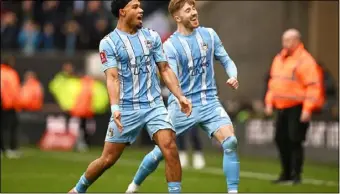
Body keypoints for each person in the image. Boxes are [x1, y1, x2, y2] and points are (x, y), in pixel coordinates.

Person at [69, 0, 192, 193]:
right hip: (126, 108)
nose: (141, 10)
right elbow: (112, 77)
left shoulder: (152, 37)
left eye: (140, 6)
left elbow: (165, 69)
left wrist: (180, 96)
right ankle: (78, 190)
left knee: (169, 146)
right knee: (107, 160)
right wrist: (115, 108)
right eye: (135, 7)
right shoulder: (108, 43)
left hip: (154, 105)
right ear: (122, 12)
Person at [126, 0, 240, 193]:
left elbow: (226, 59)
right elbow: (171, 77)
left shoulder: (209, 35)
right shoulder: (170, 46)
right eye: (188, 10)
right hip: (182, 105)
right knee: (161, 152)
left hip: (210, 102)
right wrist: (180, 97)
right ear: (177, 17)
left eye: (194, 8)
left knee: (230, 142)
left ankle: (233, 191)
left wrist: (233, 75)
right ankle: (134, 186)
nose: (194, 13)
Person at [264, 29, 324, 185]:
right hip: (281, 107)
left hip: (297, 107)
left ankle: (296, 175)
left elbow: (313, 87)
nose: (285, 43)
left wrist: (307, 108)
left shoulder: (305, 60)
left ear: (297, 41)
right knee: (280, 139)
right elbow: (273, 83)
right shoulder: (279, 58)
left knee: (294, 140)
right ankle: (286, 173)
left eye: (288, 40)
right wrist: (269, 103)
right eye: (284, 40)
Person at [0, 55, 21, 159]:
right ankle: (8, 149)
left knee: (9, 127)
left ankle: (8, 148)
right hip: (7, 104)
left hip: (10, 104)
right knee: (8, 127)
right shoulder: (10, 73)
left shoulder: (10, 73)